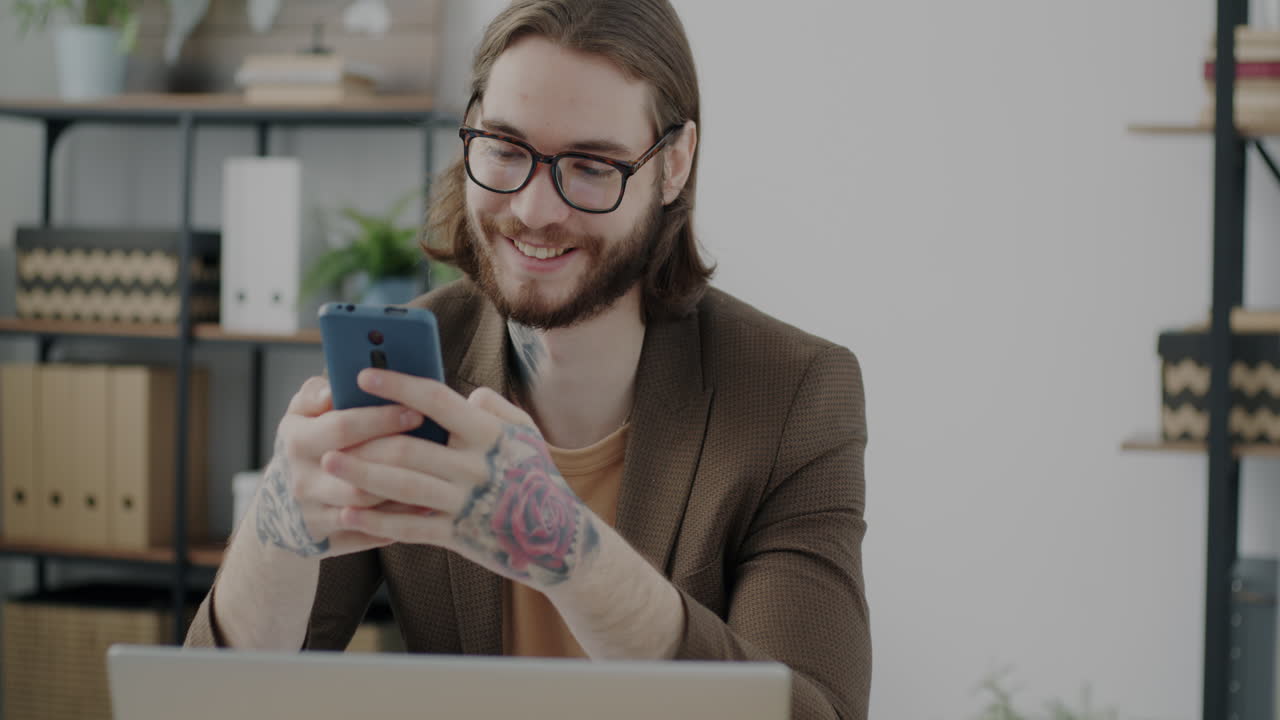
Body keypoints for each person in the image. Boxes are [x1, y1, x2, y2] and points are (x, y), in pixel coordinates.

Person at [186, 1, 871, 717]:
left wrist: (568, 552)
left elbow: (815, 710)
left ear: (673, 165)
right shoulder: (407, 368)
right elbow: (209, 707)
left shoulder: (795, 395)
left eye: (591, 165)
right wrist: (277, 532)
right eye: (506, 150)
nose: (536, 210)